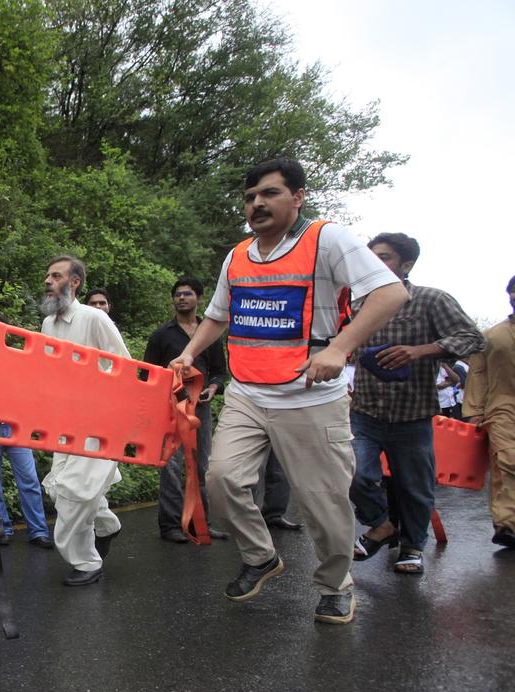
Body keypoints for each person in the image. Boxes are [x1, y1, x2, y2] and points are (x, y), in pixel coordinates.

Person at [169, 157, 407, 625]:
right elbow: (218, 314)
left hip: (312, 396)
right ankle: (260, 557)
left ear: (297, 196)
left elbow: (390, 292)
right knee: (223, 481)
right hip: (249, 392)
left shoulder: (327, 240)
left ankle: (336, 586)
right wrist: (189, 354)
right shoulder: (238, 256)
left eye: (269, 194)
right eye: (250, 197)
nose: (257, 204)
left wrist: (339, 348)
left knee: (323, 499)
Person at [348, 232, 483, 575]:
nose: (374, 264)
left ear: (406, 265)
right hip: (364, 410)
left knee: (414, 487)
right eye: (370, 257)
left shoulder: (430, 300)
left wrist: (420, 351)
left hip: (413, 414)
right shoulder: (358, 303)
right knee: (353, 472)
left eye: (385, 257)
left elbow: (472, 337)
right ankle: (381, 524)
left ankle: (412, 547)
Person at [39, 255, 127, 585]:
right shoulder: (48, 325)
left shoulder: (95, 319)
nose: (48, 281)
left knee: (75, 493)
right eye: (47, 275)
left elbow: (125, 368)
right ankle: (106, 525)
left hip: (101, 424)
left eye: (56, 276)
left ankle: (88, 563)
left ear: (74, 283)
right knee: (59, 489)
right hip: (65, 424)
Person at [143, 278, 229, 542]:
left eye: (188, 294)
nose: (182, 298)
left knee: (202, 466)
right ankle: (169, 526)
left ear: (199, 299)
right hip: (169, 409)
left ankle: (198, 524)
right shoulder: (161, 335)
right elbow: (149, 372)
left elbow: (219, 372)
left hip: (199, 410)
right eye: (177, 295)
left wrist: (213, 388)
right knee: (171, 465)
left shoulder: (209, 334)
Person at [0, 311, 52, 548]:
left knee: (30, 480)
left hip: (15, 426)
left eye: (0, 327)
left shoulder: (17, 357)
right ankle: (2, 529)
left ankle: (39, 531)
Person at [462, 275, 515, 548]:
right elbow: (478, 374)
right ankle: (507, 524)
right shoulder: (492, 336)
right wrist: (474, 411)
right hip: (502, 407)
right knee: (507, 462)